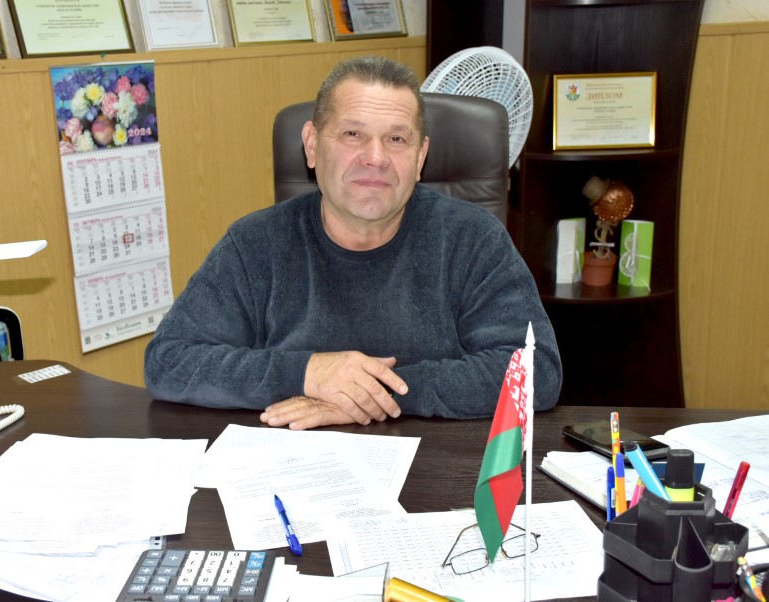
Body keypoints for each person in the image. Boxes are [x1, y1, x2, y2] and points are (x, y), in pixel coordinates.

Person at [144, 55, 561, 430]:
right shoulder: (255, 243)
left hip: (436, 474)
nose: (375, 158)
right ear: (312, 145)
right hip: (291, 468)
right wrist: (308, 374)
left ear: (420, 157)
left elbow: (535, 371)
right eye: (353, 134)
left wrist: (376, 393)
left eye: (396, 139)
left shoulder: (473, 239)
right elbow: (169, 361)